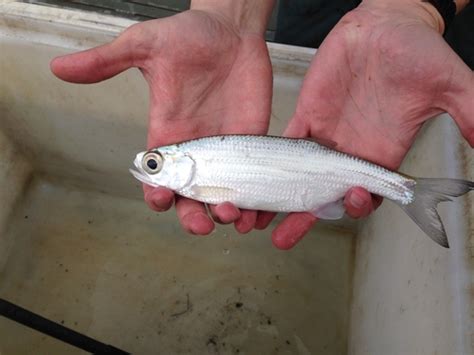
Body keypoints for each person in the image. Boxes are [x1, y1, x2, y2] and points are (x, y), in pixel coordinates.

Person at [50, 0, 473, 250]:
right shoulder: (198, 172)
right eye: (155, 164)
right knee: (309, 46)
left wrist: (418, 6)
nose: (150, 168)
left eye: (156, 165)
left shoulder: (199, 176)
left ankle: (407, 189)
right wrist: (230, 14)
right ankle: (405, 188)